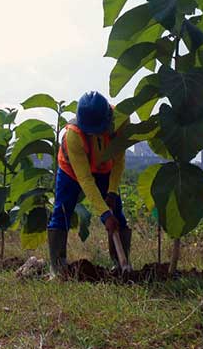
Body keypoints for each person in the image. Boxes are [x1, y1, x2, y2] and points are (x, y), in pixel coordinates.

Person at [47, 91, 130, 276]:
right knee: (61, 212)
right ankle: (58, 268)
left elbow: (119, 161)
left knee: (117, 213)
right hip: (72, 172)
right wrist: (104, 215)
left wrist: (112, 192)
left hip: (105, 169)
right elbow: (85, 180)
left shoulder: (122, 120)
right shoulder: (73, 135)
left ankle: (121, 265)